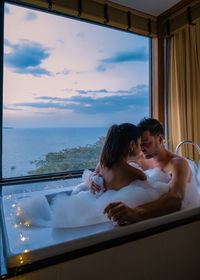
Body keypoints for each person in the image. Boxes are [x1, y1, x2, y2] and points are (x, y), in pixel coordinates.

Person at [91, 118, 194, 225]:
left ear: (160, 139)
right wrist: (93, 178)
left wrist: (135, 212)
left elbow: (176, 199)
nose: (141, 148)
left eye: (145, 142)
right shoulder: (138, 159)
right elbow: (107, 164)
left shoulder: (177, 164)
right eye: (140, 143)